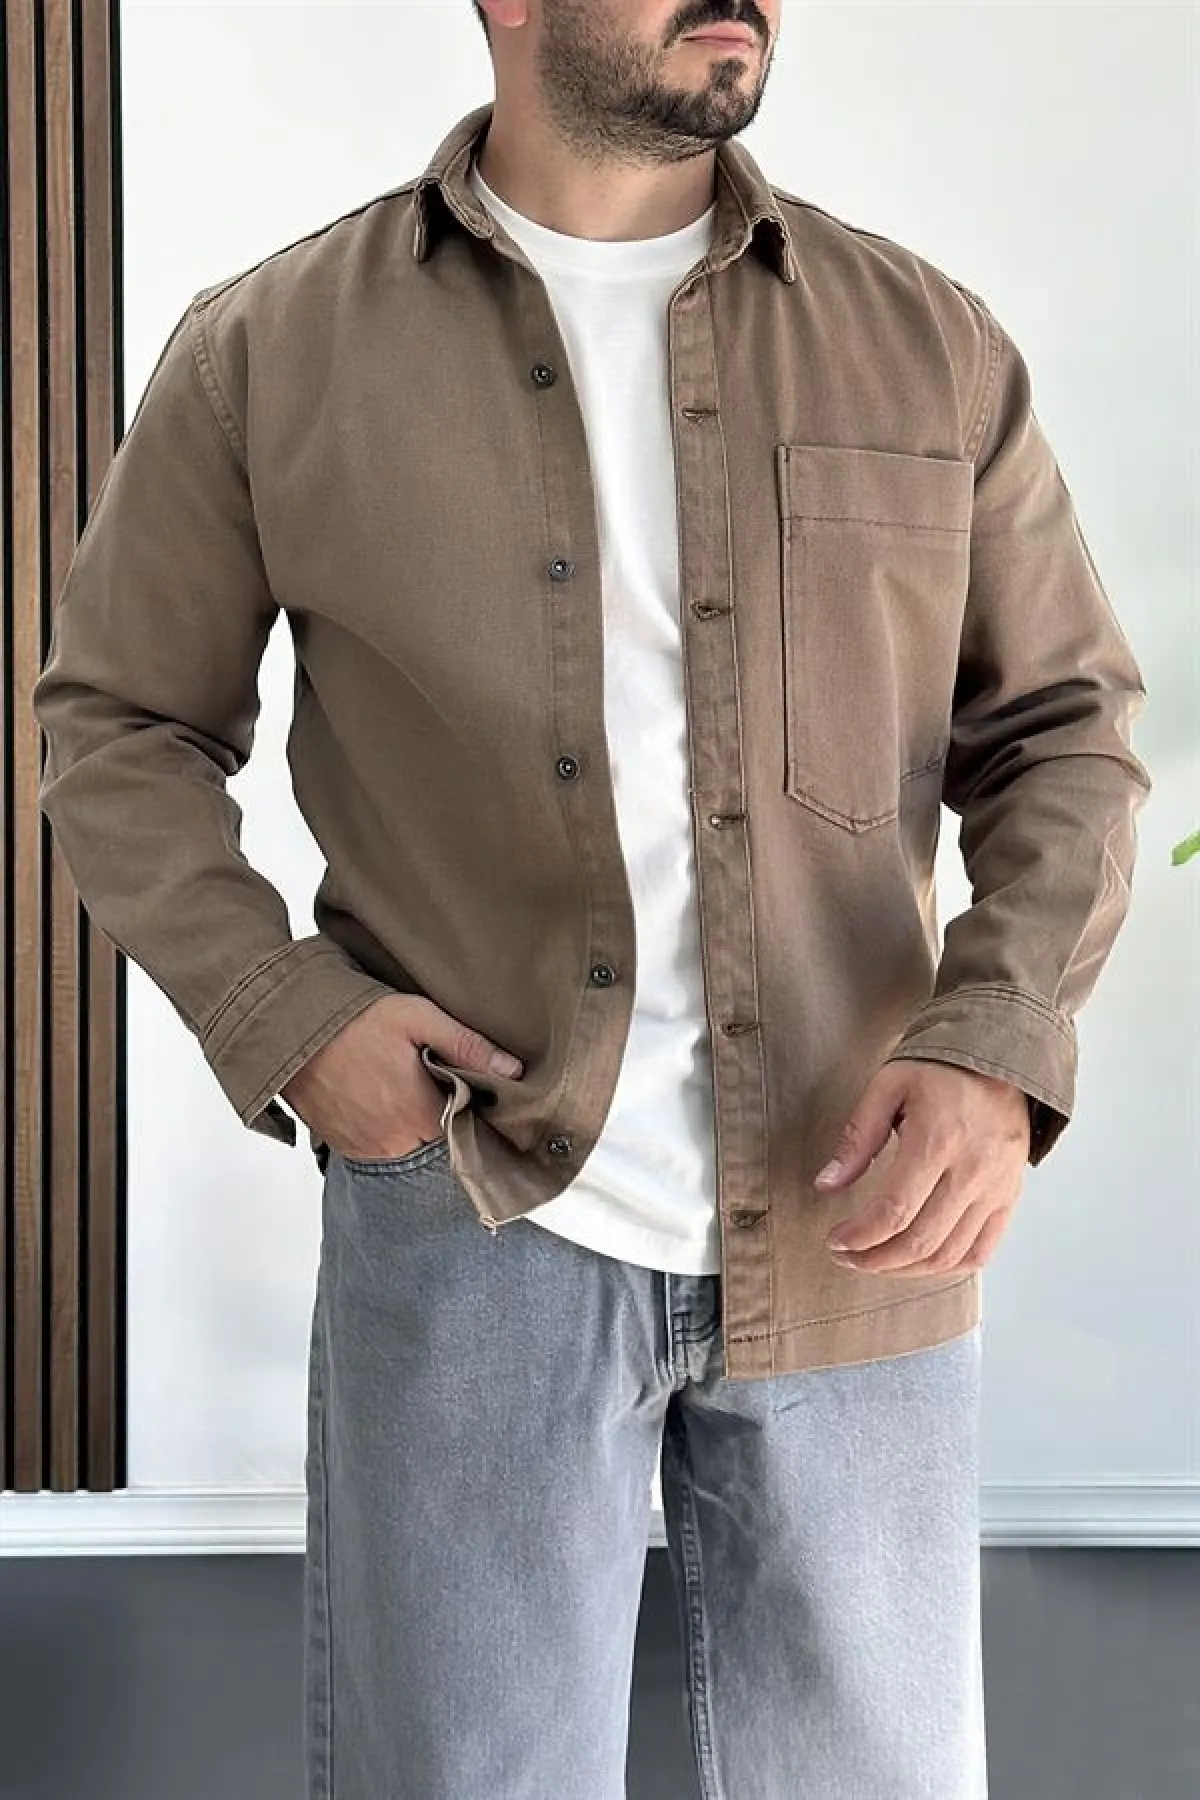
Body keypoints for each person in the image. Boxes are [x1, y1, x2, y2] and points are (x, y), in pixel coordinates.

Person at [31, 1, 1152, 1795]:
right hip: (468, 1208)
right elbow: (117, 728)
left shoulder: (925, 344)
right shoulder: (271, 350)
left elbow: (1064, 733)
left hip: (859, 1212)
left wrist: (996, 1042)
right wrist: (296, 1023)